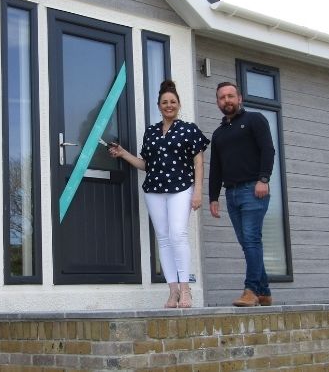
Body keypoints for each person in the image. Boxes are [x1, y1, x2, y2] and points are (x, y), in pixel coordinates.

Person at [108, 80, 209, 308]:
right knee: (163, 239)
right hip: (154, 189)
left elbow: (199, 163)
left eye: (172, 101)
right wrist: (123, 153)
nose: (169, 105)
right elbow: (145, 165)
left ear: (179, 104)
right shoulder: (151, 132)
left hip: (181, 187)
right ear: (159, 105)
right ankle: (172, 291)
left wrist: (198, 191)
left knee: (178, 235)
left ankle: (185, 290)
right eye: (164, 102)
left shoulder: (189, 129)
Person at [208, 81, 275, 307]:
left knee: (251, 240)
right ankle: (264, 292)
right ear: (218, 102)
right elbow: (215, 167)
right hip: (232, 194)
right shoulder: (218, 134)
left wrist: (263, 179)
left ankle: (251, 290)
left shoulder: (254, 119)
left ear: (239, 99)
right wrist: (213, 197)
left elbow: (268, 149)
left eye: (230, 96)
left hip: (253, 190)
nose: (226, 100)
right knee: (248, 243)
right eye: (222, 97)